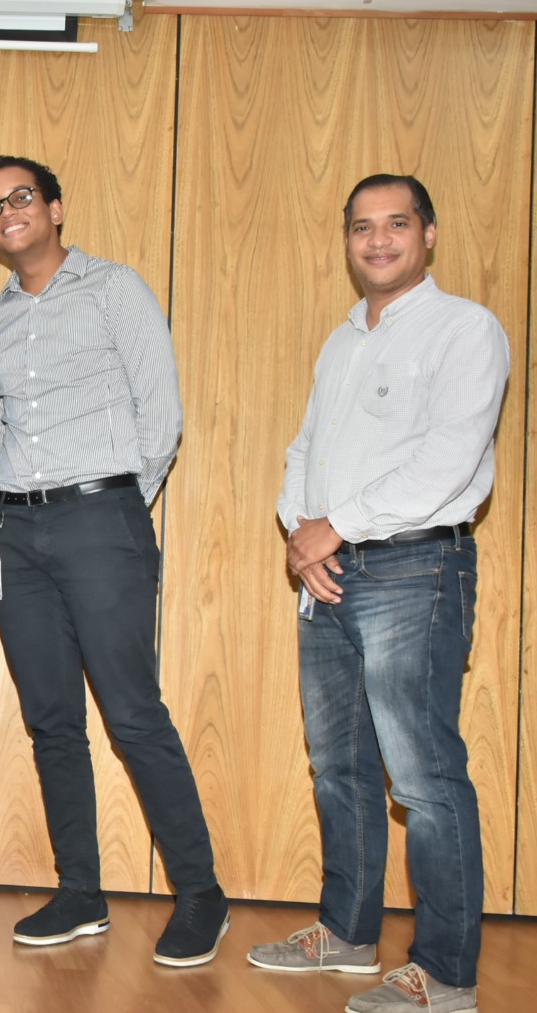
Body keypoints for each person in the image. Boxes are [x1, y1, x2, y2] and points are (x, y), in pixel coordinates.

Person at [248, 175, 507, 1013]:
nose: (379, 240)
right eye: (363, 227)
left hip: (414, 571)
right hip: (327, 571)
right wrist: (300, 531)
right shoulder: (341, 341)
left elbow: (449, 460)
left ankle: (446, 973)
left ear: (428, 234)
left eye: (397, 225)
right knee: (340, 769)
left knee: (424, 778)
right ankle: (349, 934)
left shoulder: (466, 329)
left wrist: (339, 525)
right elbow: (305, 447)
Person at [0, 155, 229, 965]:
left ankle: (201, 894)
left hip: (103, 521)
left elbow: (162, 416)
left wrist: (116, 507)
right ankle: (80, 892)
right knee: (52, 722)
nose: (8, 211)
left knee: (132, 714)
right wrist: (30, 512)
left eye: (21, 197)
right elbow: (0, 424)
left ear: (54, 206)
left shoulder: (116, 288)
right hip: (19, 529)